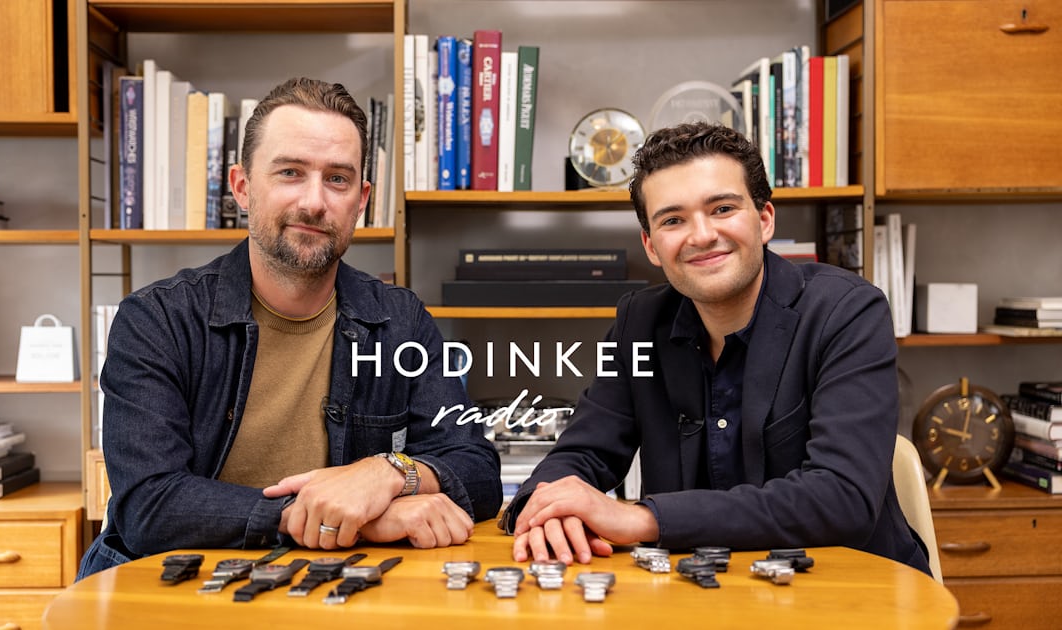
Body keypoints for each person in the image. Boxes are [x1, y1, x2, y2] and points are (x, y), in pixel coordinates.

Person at [78, 78, 501, 579]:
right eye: (290, 173)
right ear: (242, 187)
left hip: (331, 587)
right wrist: (343, 519)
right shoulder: (157, 320)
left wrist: (389, 472)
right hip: (172, 586)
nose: (314, 202)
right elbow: (150, 506)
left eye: (337, 179)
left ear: (361, 200)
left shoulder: (401, 320)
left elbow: (477, 469)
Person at [500, 122, 930, 576]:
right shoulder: (637, 322)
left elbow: (842, 499)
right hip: (695, 589)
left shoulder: (847, 311)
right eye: (673, 220)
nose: (702, 235)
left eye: (722, 208)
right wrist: (547, 508)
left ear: (765, 220)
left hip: (849, 588)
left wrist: (643, 519)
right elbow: (581, 453)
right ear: (651, 245)